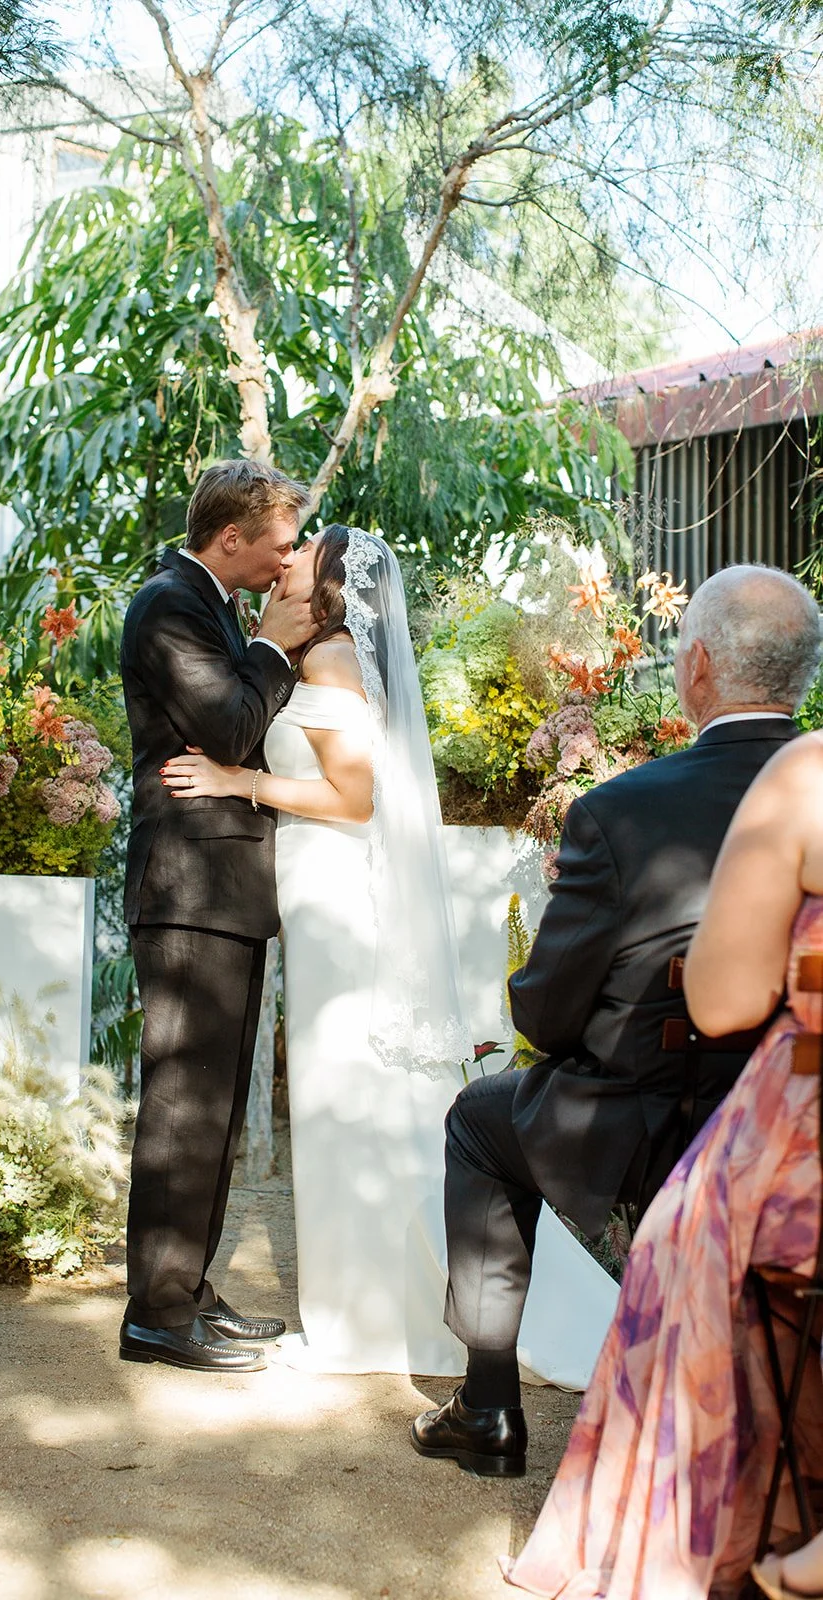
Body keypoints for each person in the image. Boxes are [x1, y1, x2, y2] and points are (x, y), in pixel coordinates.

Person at [164, 525, 617, 1379]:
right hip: (314, 890)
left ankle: (374, 1317)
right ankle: (359, 1306)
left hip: (337, 893)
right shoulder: (313, 656)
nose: (282, 557)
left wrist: (242, 782)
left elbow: (354, 796)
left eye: (300, 551)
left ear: (331, 582)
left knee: (350, 1089)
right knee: (340, 1094)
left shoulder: (332, 660)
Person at [413, 564, 818, 1477]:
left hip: (661, 1124)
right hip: (796, 1132)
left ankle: (486, 1409)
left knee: (480, 1120)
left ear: (698, 666)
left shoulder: (619, 809)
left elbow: (550, 1020)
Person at [504, 607, 823, 1599]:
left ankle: (487, 1404)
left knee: (665, 1238)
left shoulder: (790, 783)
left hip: (771, 1123)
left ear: (693, 668)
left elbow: (716, 1002)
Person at [118, 459, 317, 1373]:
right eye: (278, 543)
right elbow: (229, 729)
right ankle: (156, 1314)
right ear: (229, 537)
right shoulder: (169, 604)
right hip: (189, 889)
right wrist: (274, 644)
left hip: (223, 892)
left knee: (218, 1105)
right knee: (181, 1110)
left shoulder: (211, 603)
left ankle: (189, 1288)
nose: (288, 561)